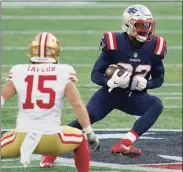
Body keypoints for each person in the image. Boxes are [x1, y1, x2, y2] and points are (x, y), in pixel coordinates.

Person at [42, 4, 167, 166]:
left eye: (148, 24)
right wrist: (109, 81)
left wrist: (146, 84)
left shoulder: (156, 46)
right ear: (129, 25)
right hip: (110, 94)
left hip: (134, 96)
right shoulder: (114, 42)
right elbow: (95, 74)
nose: (147, 29)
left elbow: (159, 78)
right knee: (85, 119)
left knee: (156, 105)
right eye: (141, 25)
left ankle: (125, 143)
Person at [1, 32, 100, 172]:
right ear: (55, 53)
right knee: (80, 138)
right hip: (52, 139)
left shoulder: (19, 70)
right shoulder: (64, 71)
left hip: (21, 138)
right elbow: (77, 104)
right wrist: (89, 131)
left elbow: (2, 98)